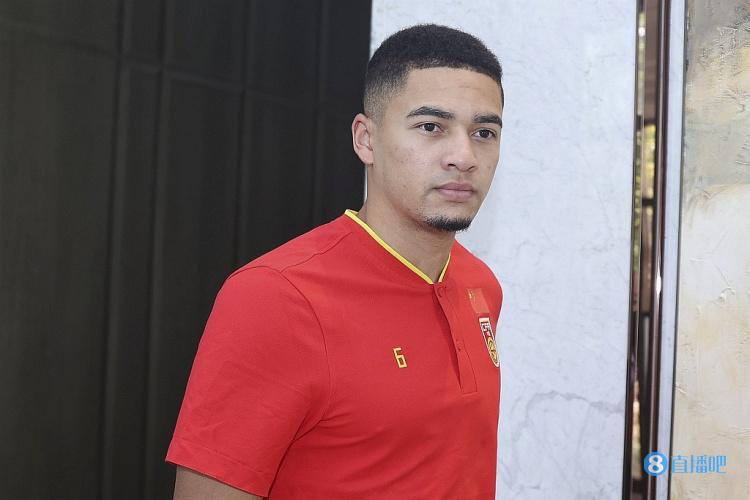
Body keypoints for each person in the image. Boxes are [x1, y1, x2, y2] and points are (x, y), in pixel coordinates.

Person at [167, 23, 505, 500]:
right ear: (365, 139)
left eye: (484, 132)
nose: (463, 156)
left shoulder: (479, 285)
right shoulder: (277, 297)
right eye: (431, 127)